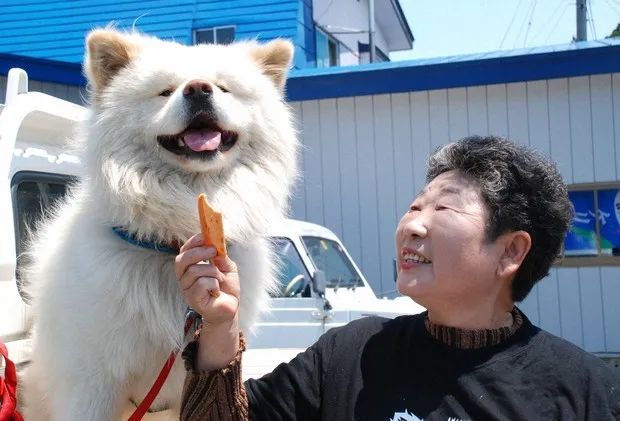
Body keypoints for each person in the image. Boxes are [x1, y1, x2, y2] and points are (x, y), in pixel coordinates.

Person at [175, 136, 620, 420]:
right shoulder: (350, 355)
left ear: (511, 251)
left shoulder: (584, 391)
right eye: (414, 206)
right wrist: (220, 325)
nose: (411, 225)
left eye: (442, 209)